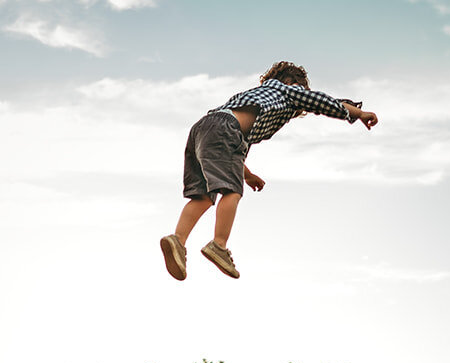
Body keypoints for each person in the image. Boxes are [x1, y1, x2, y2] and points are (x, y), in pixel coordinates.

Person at [160, 60, 378, 282]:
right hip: (226, 131)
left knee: (203, 196)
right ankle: (219, 245)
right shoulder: (287, 90)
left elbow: (229, 150)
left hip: (202, 129)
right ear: (290, 81)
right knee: (232, 191)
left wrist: (248, 174)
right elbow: (322, 102)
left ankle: (178, 240)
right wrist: (358, 113)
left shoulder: (251, 97)